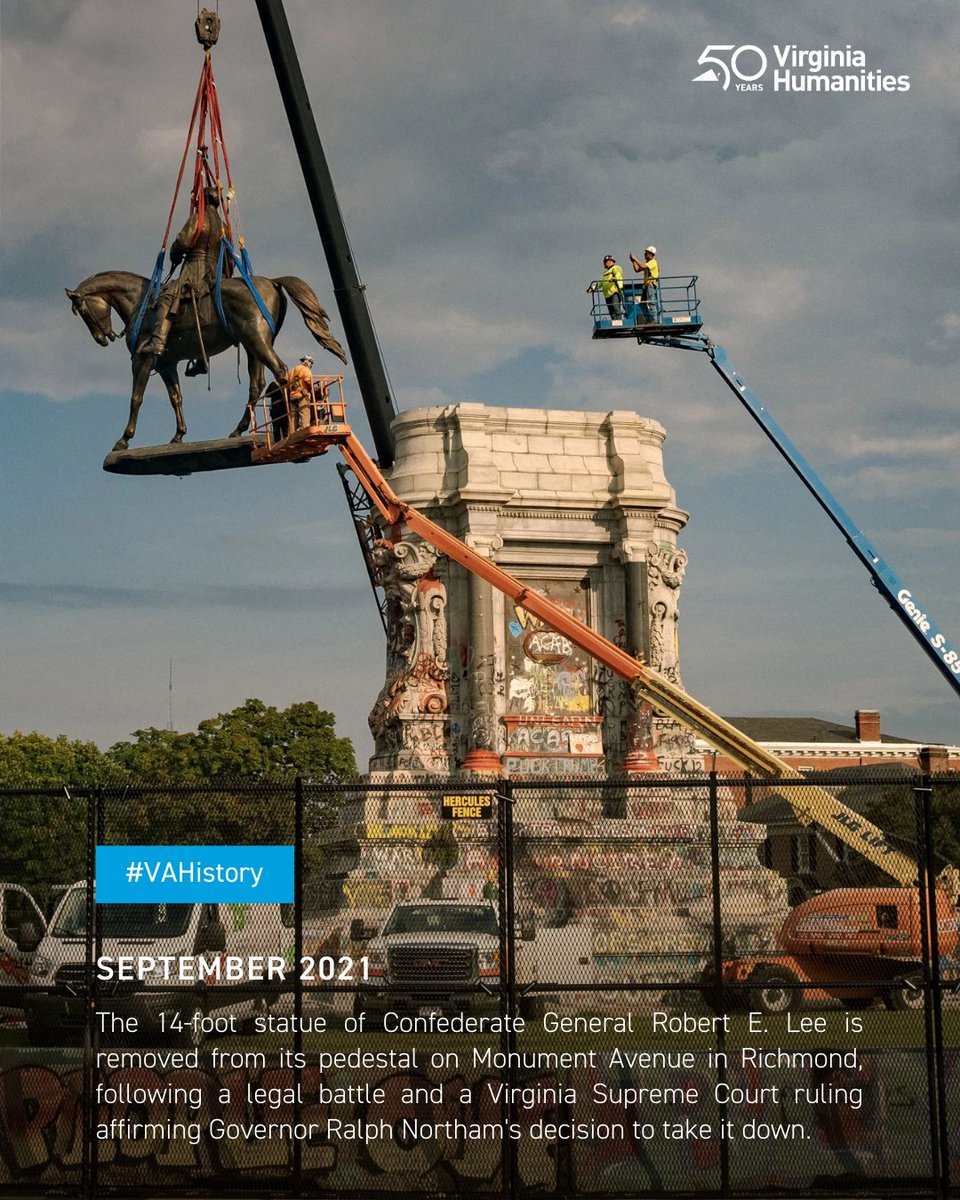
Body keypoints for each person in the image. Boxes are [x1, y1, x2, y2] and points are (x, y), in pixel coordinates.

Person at [143, 186, 227, 357]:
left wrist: (175, 254)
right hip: (216, 274)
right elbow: (229, 257)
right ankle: (200, 358)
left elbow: (183, 242)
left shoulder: (198, 218)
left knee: (166, 297)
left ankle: (158, 342)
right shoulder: (224, 226)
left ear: (201, 201)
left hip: (195, 271)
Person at [587, 255, 624, 323]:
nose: (604, 263)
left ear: (610, 261)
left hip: (614, 292)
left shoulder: (616, 268)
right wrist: (593, 288)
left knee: (615, 307)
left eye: (605, 262)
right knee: (611, 310)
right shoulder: (605, 272)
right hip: (607, 294)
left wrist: (615, 278)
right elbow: (602, 282)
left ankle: (618, 321)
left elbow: (618, 274)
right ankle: (614, 321)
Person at [629, 245, 659, 323]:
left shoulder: (653, 262)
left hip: (651, 285)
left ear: (651, 254)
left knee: (651, 302)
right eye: (645, 253)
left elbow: (642, 266)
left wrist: (635, 259)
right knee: (642, 304)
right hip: (646, 286)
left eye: (647, 253)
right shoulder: (648, 263)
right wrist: (633, 262)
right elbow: (637, 269)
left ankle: (654, 320)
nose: (645, 255)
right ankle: (649, 319)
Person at [287, 354, 315, 430]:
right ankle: (305, 432)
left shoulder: (291, 371)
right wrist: (314, 387)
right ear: (308, 362)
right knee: (305, 415)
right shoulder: (305, 369)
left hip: (292, 396)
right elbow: (308, 380)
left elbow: (288, 384)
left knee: (293, 418)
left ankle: (291, 435)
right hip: (302, 395)